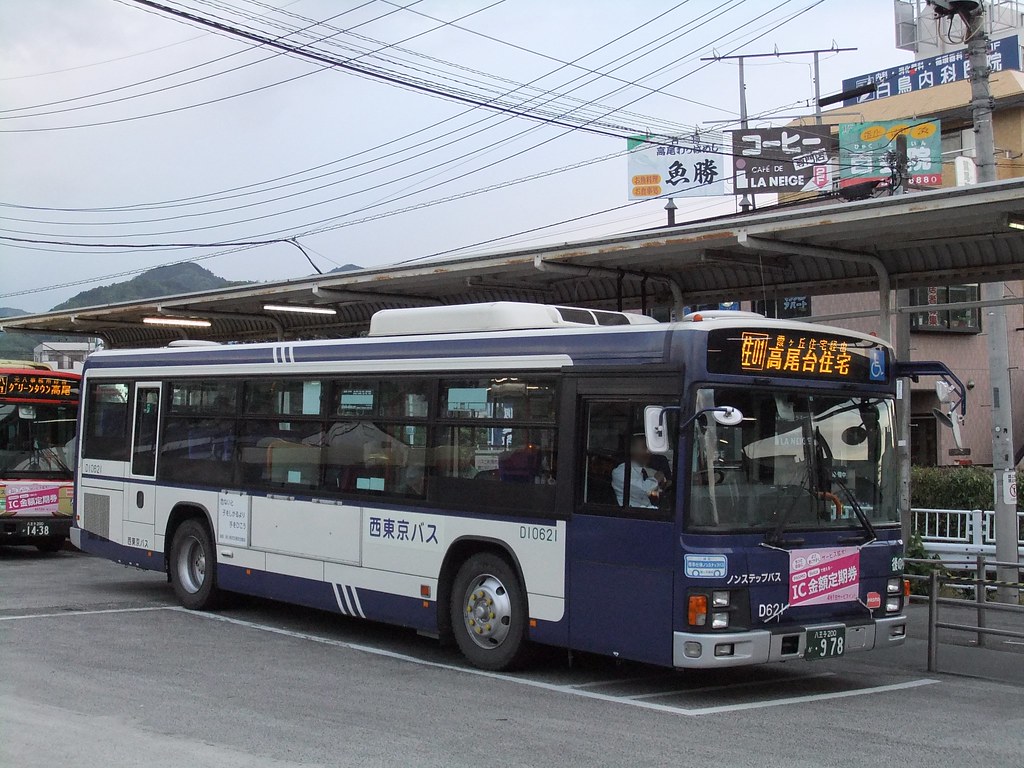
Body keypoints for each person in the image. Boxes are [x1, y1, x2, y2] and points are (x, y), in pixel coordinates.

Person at [612, 435, 667, 508]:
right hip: (632, 515)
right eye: (645, 447)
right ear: (632, 450)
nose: (649, 452)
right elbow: (643, 490)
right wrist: (656, 479)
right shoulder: (621, 472)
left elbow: (655, 494)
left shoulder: (647, 471)